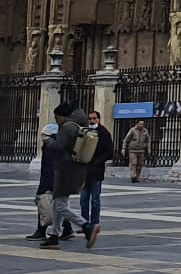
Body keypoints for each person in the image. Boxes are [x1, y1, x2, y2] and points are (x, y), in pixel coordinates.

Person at [41, 103, 99, 249]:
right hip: (76, 169)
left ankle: (87, 227)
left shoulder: (67, 127)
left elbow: (59, 147)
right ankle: (54, 236)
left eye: (57, 117)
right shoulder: (78, 126)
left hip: (66, 169)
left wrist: (48, 140)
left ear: (63, 116)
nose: (56, 120)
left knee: (60, 205)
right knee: (58, 203)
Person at [26, 121, 70, 241]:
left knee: (43, 205)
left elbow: (49, 167)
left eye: (43, 135)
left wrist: (45, 186)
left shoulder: (50, 146)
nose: (42, 137)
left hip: (50, 181)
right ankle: (67, 228)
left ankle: (41, 231)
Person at [80, 110, 115, 230]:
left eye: (94, 118)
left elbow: (109, 153)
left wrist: (97, 162)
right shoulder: (85, 132)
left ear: (98, 119)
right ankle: (84, 223)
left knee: (95, 200)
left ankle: (94, 223)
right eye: (90, 119)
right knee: (83, 199)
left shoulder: (104, 134)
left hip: (96, 171)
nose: (92, 121)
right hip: (84, 171)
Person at [123, 117, 152, 182]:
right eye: (140, 124)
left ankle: (137, 177)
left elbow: (148, 140)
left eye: (142, 124)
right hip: (133, 150)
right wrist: (123, 148)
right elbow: (126, 139)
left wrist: (149, 149)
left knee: (140, 164)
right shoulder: (132, 130)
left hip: (141, 150)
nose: (141, 125)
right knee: (133, 163)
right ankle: (133, 176)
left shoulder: (145, 131)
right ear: (137, 124)